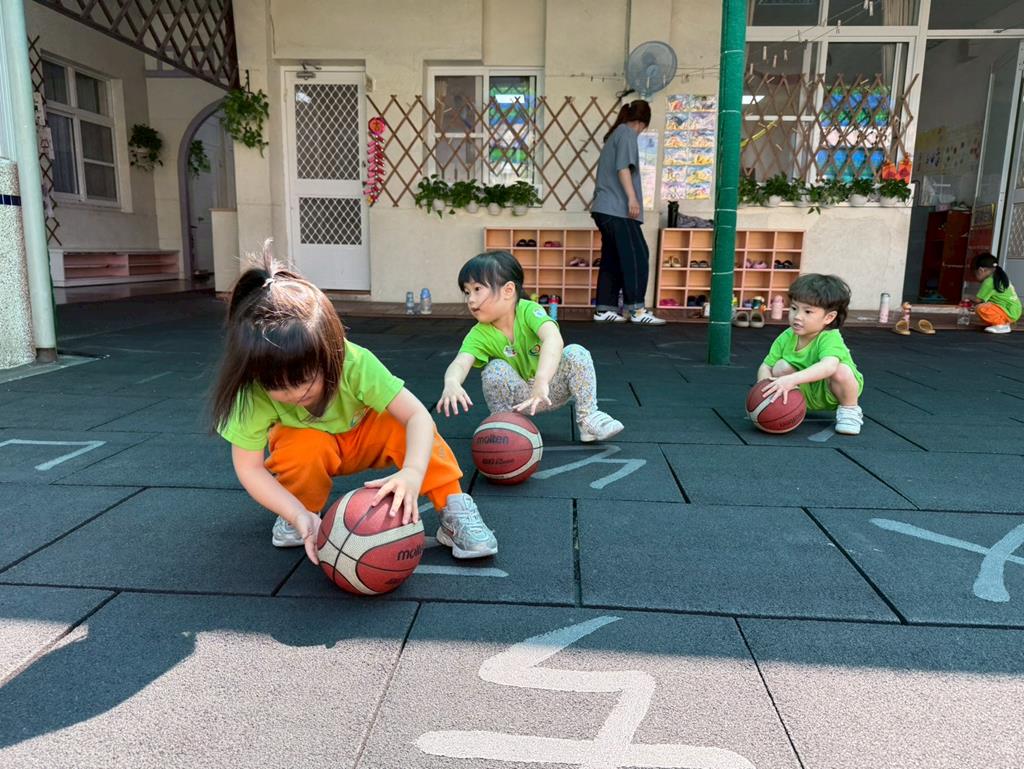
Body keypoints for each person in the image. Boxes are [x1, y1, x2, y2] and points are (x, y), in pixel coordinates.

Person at [209, 242, 497, 564]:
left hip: (366, 436)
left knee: (408, 427)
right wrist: (295, 512)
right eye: (277, 386)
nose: (293, 393)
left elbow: (417, 415)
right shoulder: (252, 391)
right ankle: (303, 511)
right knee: (298, 446)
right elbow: (249, 468)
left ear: (329, 352)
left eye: (304, 379)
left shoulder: (354, 362)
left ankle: (453, 507)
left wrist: (413, 472)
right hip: (316, 446)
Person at [437, 250, 624, 442]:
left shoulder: (529, 310)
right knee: (494, 369)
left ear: (508, 290)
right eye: (467, 292)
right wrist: (451, 382)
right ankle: (504, 423)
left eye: (477, 289)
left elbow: (553, 339)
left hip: (550, 388)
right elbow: (460, 362)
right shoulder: (479, 333)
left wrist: (542, 380)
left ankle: (587, 418)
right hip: (519, 398)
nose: (470, 299)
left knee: (576, 352)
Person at [756, 274, 864, 436]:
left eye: (807, 311)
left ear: (829, 317)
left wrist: (791, 380)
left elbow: (828, 367)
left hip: (832, 390)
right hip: (803, 390)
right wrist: (764, 391)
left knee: (841, 370)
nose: (797, 316)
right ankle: (793, 406)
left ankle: (850, 410)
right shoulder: (787, 336)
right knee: (780, 367)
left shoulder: (829, 336)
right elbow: (766, 366)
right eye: (794, 308)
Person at [590, 98, 665, 325]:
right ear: (642, 123)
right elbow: (623, 168)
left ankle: (605, 308)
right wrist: (632, 198)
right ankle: (637, 309)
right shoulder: (626, 134)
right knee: (637, 256)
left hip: (604, 209)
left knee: (612, 258)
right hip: (617, 210)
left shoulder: (616, 133)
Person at [970, 253, 1021, 334]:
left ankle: (1001, 325)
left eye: (974, 273)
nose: (975, 277)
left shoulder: (989, 282)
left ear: (981, 270)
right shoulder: (998, 278)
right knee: (986, 305)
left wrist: (966, 299)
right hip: (1015, 310)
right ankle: (1003, 322)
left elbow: (978, 300)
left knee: (980, 308)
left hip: (1008, 311)